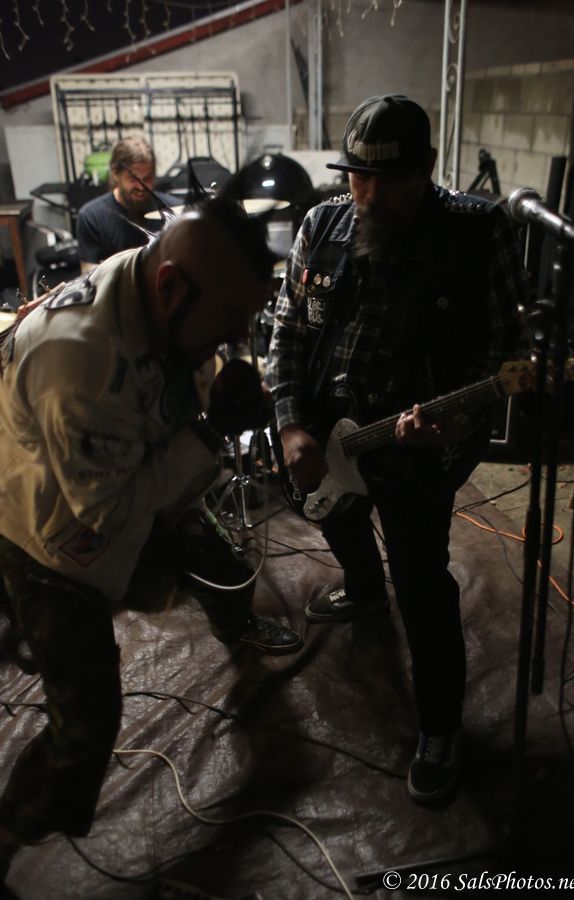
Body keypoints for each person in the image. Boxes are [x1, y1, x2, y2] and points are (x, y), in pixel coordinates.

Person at [0, 198, 302, 893]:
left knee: (220, 558)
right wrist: (209, 431)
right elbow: (106, 513)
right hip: (45, 527)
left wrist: (212, 404)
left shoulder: (152, 287)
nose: (238, 335)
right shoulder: (77, 359)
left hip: (127, 461)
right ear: (171, 287)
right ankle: (5, 835)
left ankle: (236, 624)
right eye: (230, 318)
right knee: (86, 723)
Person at [267, 94, 527, 805]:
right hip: (327, 425)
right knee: (334, 511)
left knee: (421, 583)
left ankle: (440, 727)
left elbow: (505, 353)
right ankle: (361, 587)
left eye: (388, 180)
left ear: (428, 168)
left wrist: (458, 422)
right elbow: (289, 329)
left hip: (419, 442)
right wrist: (290, 422)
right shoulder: (321, 224)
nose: (370, 195)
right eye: (358, 176)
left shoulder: (479, 232)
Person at [76, 134, 178, 272]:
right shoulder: (92, 217)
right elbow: (89, 278)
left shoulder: (174, 210)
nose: (141, 187)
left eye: (147, 178)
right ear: (115, 173)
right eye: (133, 178)